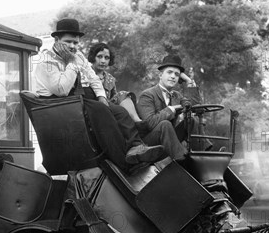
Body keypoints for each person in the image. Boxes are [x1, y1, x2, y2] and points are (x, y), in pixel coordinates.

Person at [33, 19, 165, 171]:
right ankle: (124, 163)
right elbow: (61, 90)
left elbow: (94, 79)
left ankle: (136, 147)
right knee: (101, 112)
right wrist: (71, 63)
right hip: (57, 107)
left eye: (75, 43)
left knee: (119, 111)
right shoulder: (47, 62)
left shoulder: (78, 56)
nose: (72, 46)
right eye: (68, 42)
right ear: (56, 40)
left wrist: (103, 98)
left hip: (76, 101)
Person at [138, 55, 211, 157]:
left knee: (191, 120)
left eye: (177, 74)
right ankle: (181, 158)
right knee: (165, 124)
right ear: (160, 75)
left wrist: (189, 81)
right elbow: (149, 123)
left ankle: (202, 155)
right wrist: (171, 109)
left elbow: (195, 106)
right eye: (169, 72)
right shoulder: (147, 95)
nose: (173, 76)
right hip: (148, 143)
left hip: (169, 139)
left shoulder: (176, 95)